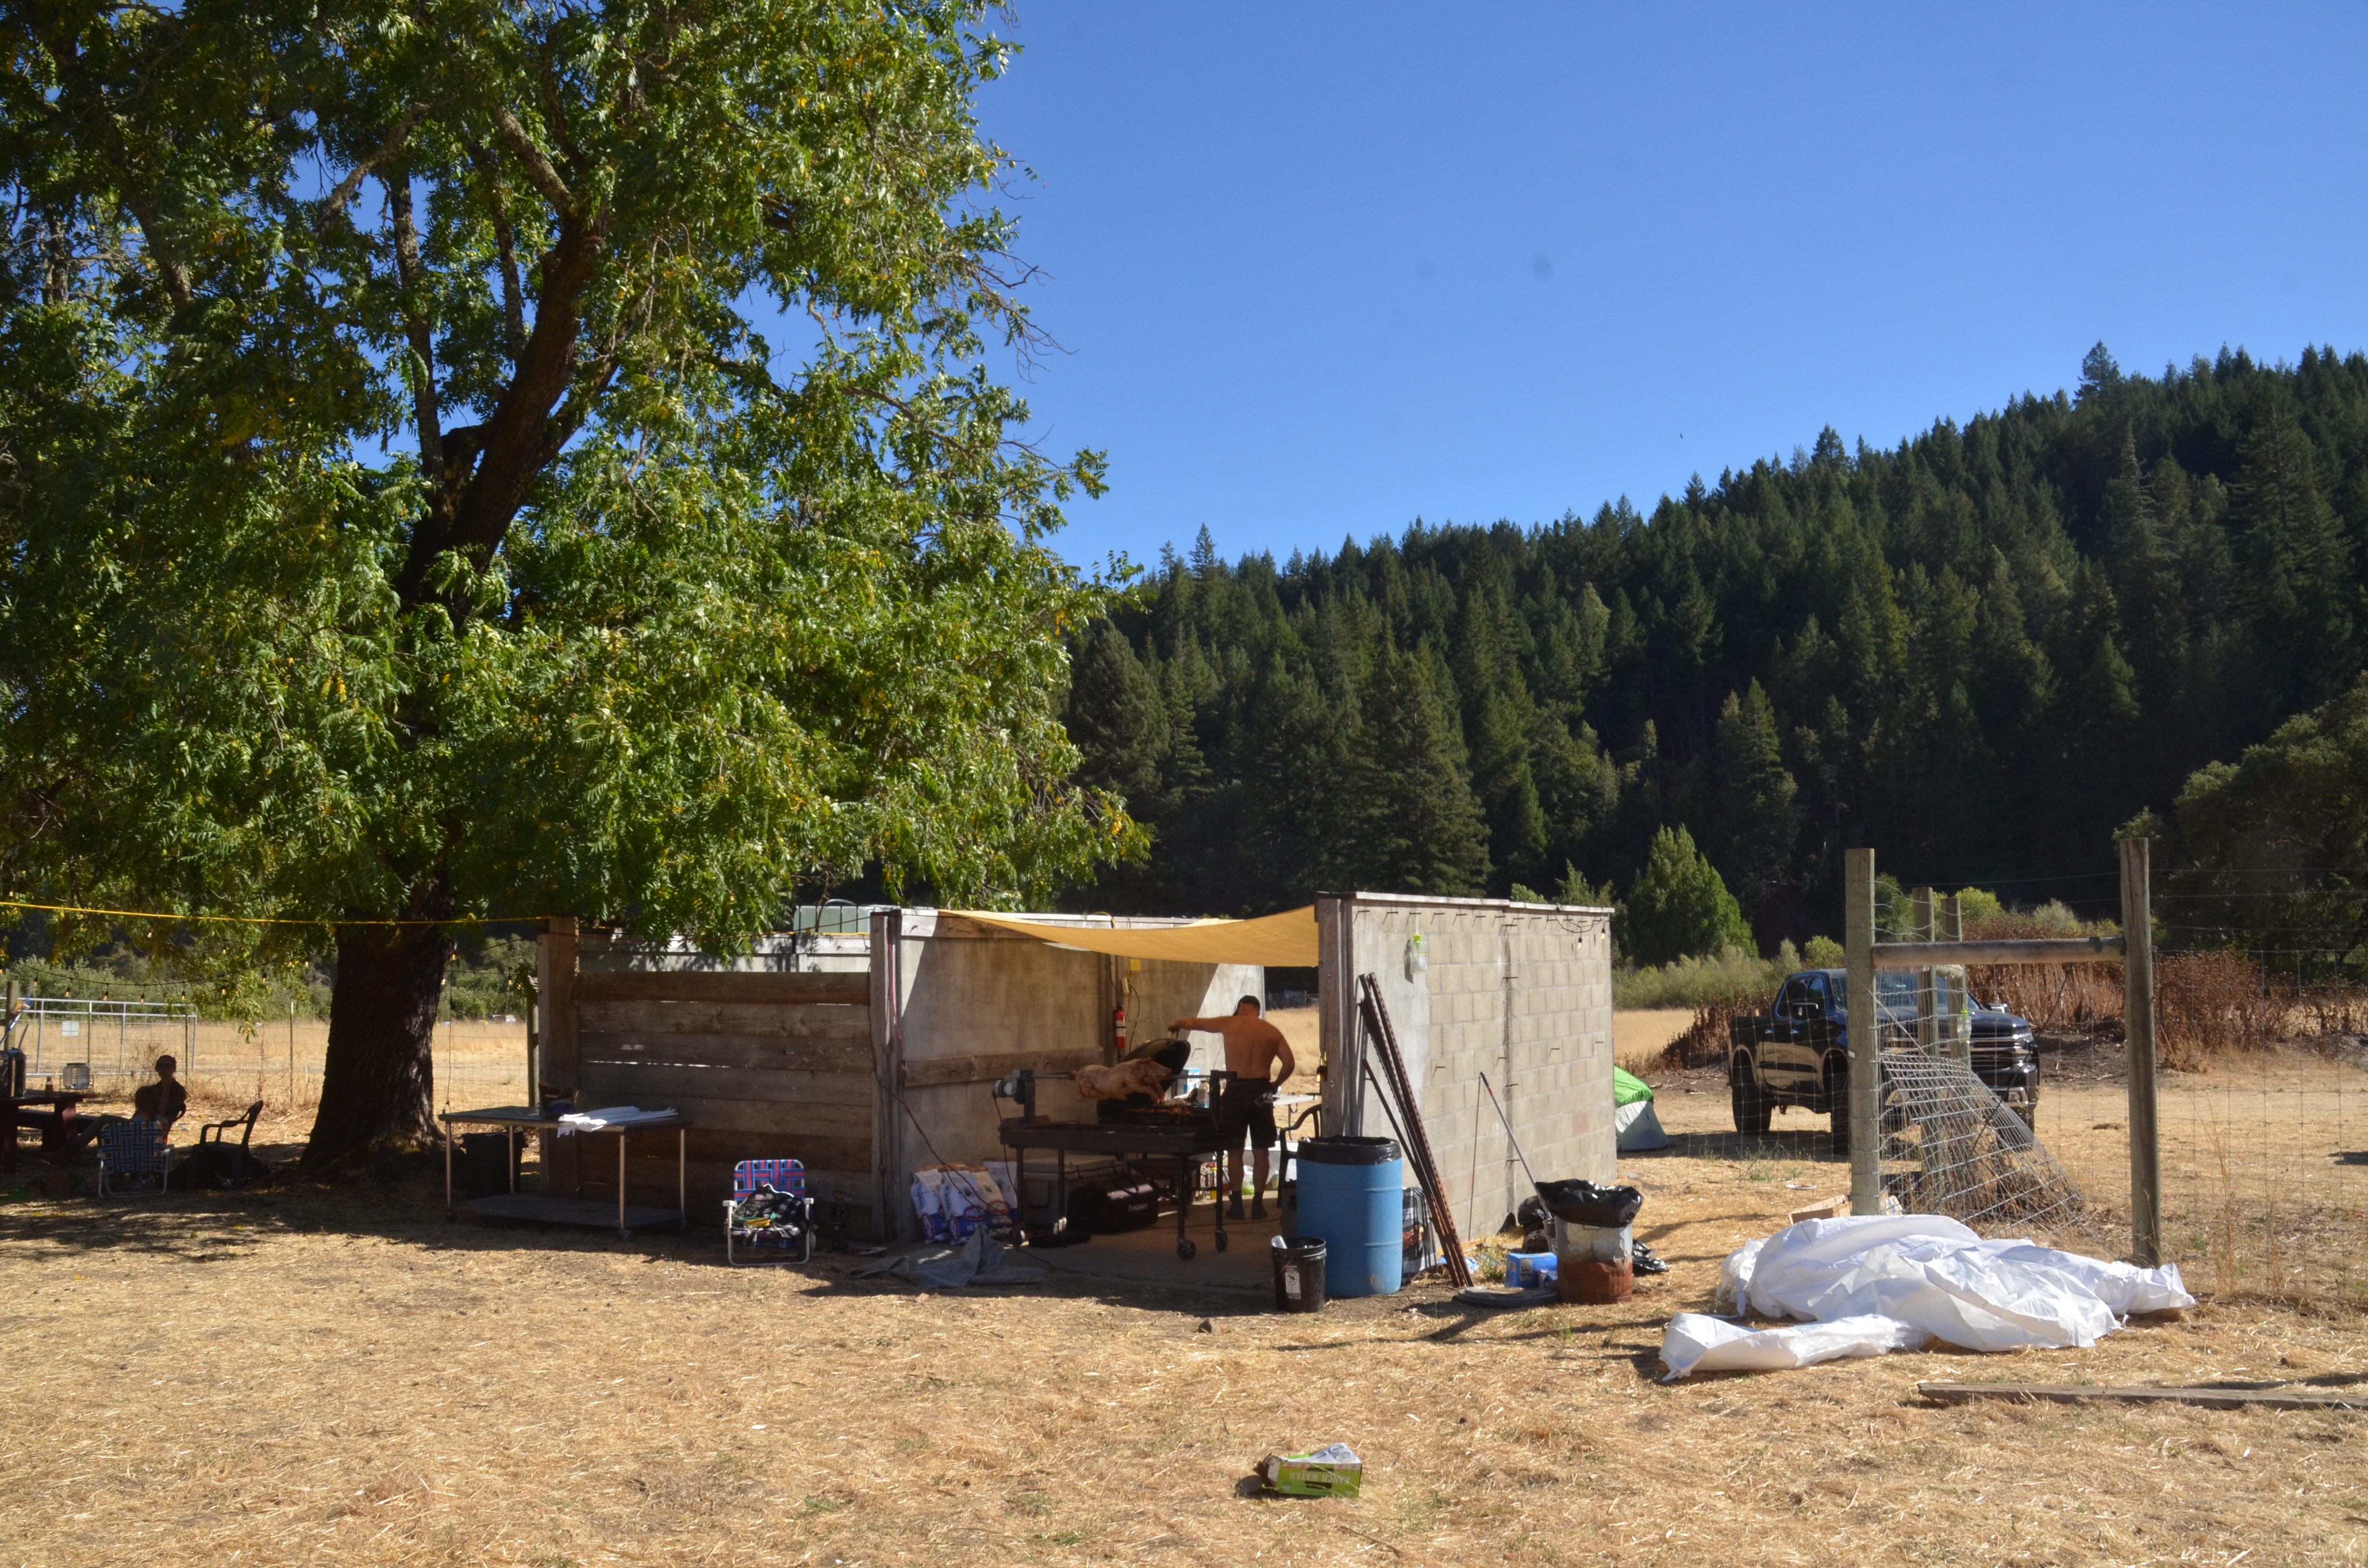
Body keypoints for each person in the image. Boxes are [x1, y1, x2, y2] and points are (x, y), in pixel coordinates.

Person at [1169, 996, 1296, 1221]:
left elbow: (1197, 1023)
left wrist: (1177, 1023)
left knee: (1235, 1150)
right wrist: (1275, 1084)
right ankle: (1258, 1204)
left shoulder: (1230, 1023)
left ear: (1242, 1007)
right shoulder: (1272, 1031)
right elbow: (1290, 1063)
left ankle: (1236, 1204)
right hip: (1261, 1090)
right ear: (1257, 1010)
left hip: (1236, 1090)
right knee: (1261, 1151)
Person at [131, 1054, 189, 1128]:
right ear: (157, 1069)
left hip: (155, 1127)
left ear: (174, 1069)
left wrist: (166, 1088)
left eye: (168, 1066)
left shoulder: (178, 1090)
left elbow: (163, 1113)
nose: (164, 1069)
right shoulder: (154, 1088)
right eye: (161, 1066)